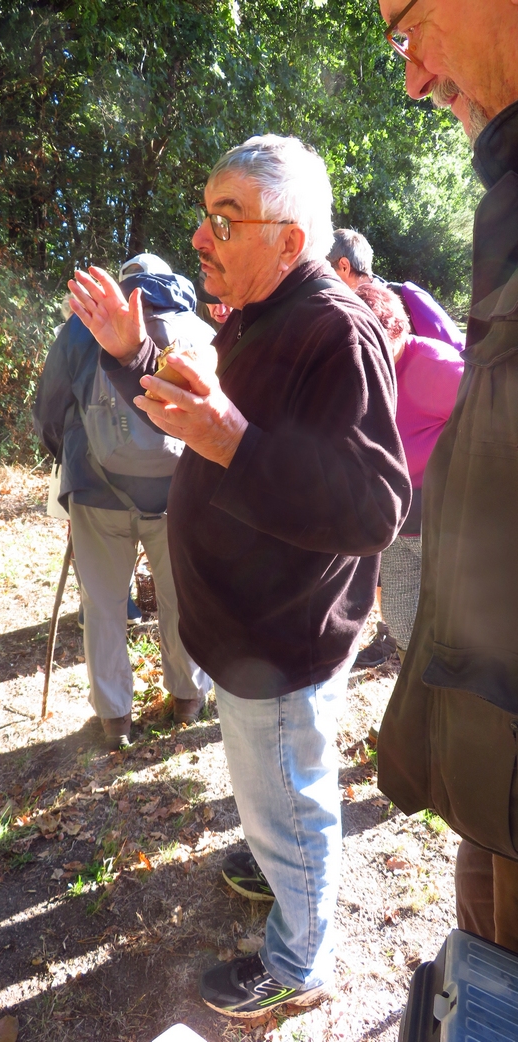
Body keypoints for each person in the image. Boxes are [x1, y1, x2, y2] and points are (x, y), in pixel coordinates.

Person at [67, 134, 411, 1015]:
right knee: (274, 791)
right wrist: (134, 353)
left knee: (291, 797)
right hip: (244, 627)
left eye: (227, 219)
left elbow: (375, 507)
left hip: (280, 637)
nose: (200, 237)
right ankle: (270, 853)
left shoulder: (334, 328)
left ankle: (299, 967)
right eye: (205, 215)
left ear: (289, 240)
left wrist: (232, 442)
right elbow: (202, 411)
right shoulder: (262, 313)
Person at [376, 0, 518, 952]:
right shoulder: (506, 197)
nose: (414, 76)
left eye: (407, 24)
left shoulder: (419, 360)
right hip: (492, 757)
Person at [33, 253, 213, 749]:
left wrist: (68, 461)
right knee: (182, 598)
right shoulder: (196, 328)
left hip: (97, 487)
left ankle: (116, 720)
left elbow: (48, 410)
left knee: (105, 605)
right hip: (180, 492)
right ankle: (188, 699)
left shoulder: (82, 326)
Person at [355, 282, 463, 659]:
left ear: (399, 329)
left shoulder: (439, 365)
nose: (370, 358)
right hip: (394, 520)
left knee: (457, 626)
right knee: (401, 621)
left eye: (378, 345)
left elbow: (490, 426)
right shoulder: (356, 365)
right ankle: (413, 690)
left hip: (446, 518)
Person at [329, 228, 465, 350]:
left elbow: (457, 350)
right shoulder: (341, 309)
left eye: (327, 270)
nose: (323, 277)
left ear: (344, 266)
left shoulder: (406, 295)